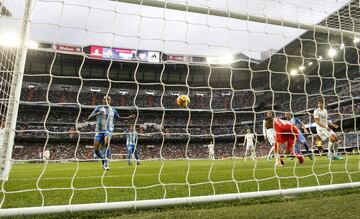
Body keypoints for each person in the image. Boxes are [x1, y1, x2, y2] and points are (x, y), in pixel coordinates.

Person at [88, 95, 134, 170]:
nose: (106, 100)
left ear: (110, 101)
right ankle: (103, 160)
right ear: (103, 100)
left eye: (108, 99)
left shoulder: (113, 110)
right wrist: (98, 113)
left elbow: (119, 118)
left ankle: (106, 163)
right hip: (99, 131)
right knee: (96, 150)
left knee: (106, 142)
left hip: (108, 129)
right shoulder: (98, 108)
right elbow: (89, 118)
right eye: (105, 99)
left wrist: (128, 117)